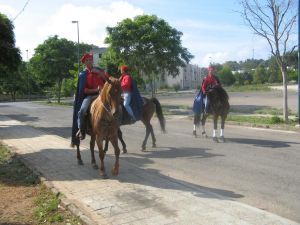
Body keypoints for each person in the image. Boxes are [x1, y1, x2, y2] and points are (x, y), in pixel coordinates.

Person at [71, 53, 108, 142]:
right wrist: (96, 90)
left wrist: (100, 73)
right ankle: (81, 130)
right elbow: (84, 90)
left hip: (103, 95)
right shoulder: (83, 74)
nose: (89, 62)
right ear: (84, 63)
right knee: (82, 111)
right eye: (87, 60)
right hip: (90, 96)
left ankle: (116, 127)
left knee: (116, 106)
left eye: (91, 60)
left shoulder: (99, 70)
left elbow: (108, 79)